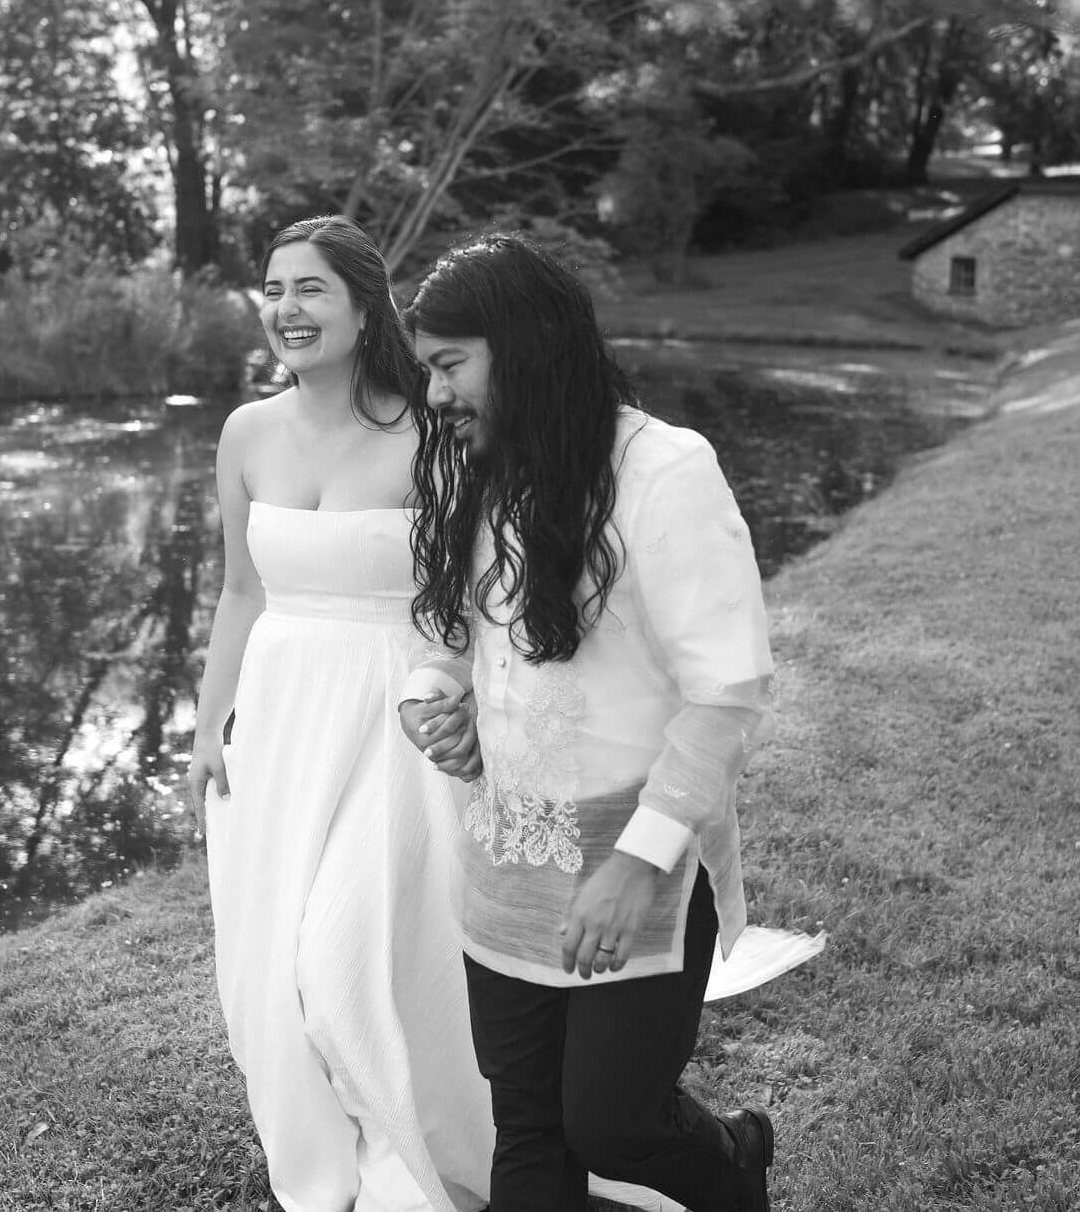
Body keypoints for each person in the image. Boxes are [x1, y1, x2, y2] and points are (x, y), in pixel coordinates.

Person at [397, 233, 781, 1212]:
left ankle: (732, 1167)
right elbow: (446, 635)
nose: (435, 396)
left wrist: (635, 863)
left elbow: (724, 690)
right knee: (527, 1125)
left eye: (449, 366)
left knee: (608, 1122)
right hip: (507, 850)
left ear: (521, 350)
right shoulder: (469, 468)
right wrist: (434, 699)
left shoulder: (662, 473)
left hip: (636, 862)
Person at [187, 216, 493, 1212]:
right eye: (272, 288)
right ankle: (324, 1174)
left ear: (364, 309)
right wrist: (206, 724)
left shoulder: (431, 432)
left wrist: (457, 696)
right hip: (275, 721)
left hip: (387, 722)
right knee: (268, 977)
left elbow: (471, 601)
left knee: (345, 955)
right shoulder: (246, 432)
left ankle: (413, 1158)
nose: (284, 307)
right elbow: (239, 591)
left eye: (310, 288)